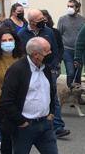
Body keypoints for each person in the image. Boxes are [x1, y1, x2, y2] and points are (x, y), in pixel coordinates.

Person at [0, 37, 85, 154]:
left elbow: (51, 91)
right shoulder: (17, 70)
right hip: (24, 126)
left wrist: (51, 112)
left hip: (44, 125)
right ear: (36, 55)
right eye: (47, 51)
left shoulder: (45, 69)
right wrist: (21, 121)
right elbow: (5, 101)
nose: (50, 53)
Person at [17, 9, 69, 139]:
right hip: (30, 71)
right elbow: (20, 54)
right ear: (32, 22)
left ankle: (58, 126)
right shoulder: (22, 34)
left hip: (48, 69)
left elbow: (55, 50)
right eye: (40, 20)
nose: (43, 22)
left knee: (52, 96)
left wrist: (55, 66)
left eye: (43, 19)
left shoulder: (48, 31)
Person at [57, 0, 85, 87]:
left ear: (77, 8)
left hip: (79, 51)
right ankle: (70, 93)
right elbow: (59, 34)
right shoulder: (62, 19)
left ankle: (77, 96)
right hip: (67, 50)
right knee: (70, 72)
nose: (69, 8)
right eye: (68, 6)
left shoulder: (83, 20)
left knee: (78, 74)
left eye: (71, 6)